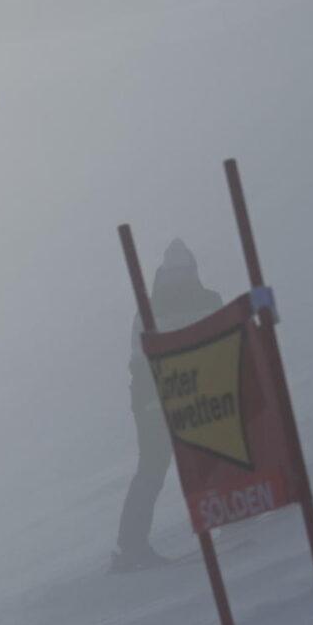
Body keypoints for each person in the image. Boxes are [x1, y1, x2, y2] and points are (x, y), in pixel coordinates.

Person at [115, 238, 225, 571]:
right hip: (159, 400)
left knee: (212, 456)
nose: (180, 278)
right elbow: (140, 360)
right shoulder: (151, 309)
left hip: (198, 395)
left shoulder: (207, 300)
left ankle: (231, 512)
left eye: (185, 271)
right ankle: (131, 546)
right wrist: (150, 401)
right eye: (175, 273)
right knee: (153, 467)